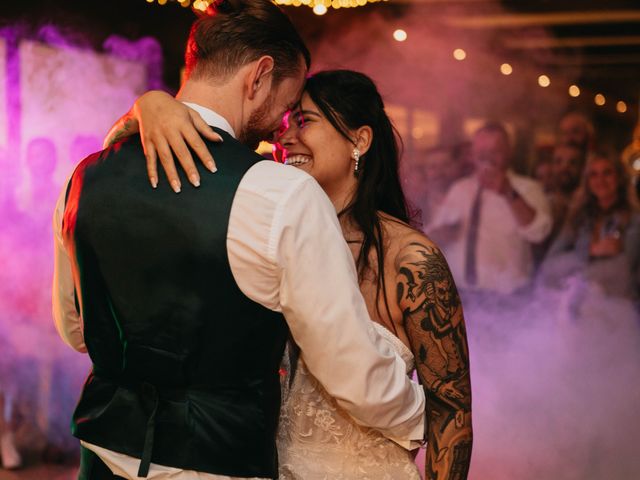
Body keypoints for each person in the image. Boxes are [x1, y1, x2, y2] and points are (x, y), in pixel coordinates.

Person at [52, 4, 426, 480]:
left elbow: (74, 328)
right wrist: (418, 415)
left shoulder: (83, 177)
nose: (280, 127)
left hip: (100, 457)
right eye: (285, 104)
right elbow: (349, 368)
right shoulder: (281, 194)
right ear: (259, 76)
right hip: (217, 463)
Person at [110, 70, 472, 479]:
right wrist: (150, 104)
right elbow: (210, 131)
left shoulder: (410, 261)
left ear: (360, 140)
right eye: (285, 123)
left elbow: (452, 415)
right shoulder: (265, 231)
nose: (285, 138)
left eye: (305, 121)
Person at [427, 122, 552, 295]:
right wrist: (440, 235)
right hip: (458, 295)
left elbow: (539, 233)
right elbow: (434, 237)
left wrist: (509, 192)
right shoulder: (460, 189)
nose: (487, 158)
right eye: (481, 152)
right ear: (473, 154)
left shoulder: (528, 188)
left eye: (495, 151)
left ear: (509, 152)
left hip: (507, 297)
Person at [541, 151, 640, 301]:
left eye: (607, 173)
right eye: (593, 174)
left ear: (619, 178)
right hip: (576, 301)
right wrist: (589, 251)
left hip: (618, 304)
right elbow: (551, 262)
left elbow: (627, 266)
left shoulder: (634, 219)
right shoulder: (578, 218)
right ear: (587, 181)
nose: (600, 180)